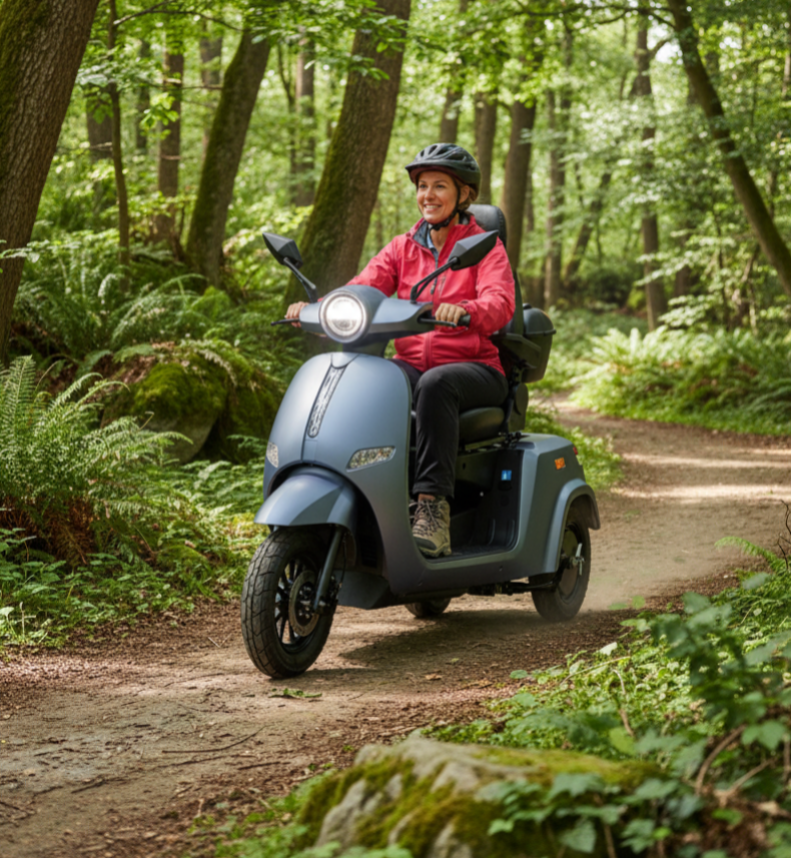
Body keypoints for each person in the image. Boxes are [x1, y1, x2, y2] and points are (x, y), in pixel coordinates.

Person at [286, 143, 514, 557]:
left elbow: (500, 303)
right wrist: (319, 311)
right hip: (412, 364)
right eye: (422, 185)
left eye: (439, 186)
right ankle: (362, 492)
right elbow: (362, 288)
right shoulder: (402, 246)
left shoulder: (484, 247)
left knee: (436, 384)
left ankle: (432, 511)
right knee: (367, 380)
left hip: (474, 368)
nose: (428, 194)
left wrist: (463, 311)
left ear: (465, 195)